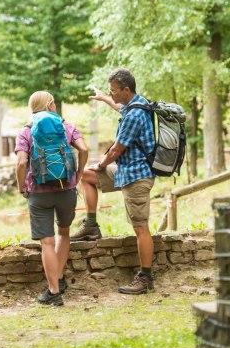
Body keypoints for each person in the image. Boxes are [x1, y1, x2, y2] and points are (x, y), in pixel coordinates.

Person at [70, 68, 156, 295]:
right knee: (85, 176)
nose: (113, 94)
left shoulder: (135, 115)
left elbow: (117, 148)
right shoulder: (136, 104)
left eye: (114, 91)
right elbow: (120, 107)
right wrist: (104, 98)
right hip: (124, 171)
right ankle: (91, 225)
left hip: (137, 176)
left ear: (126, 90)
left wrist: (102, 164)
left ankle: (145, 277)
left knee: (140, 227)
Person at [16, 91, 88, 306]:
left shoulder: (26, 132)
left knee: (47, 242)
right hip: (66, 190)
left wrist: (22, 187)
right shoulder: (66, 126)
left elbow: (21, 163)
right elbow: (83, 149)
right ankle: (58, 277)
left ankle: (54, 292)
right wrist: (79, 174)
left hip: (39, 194)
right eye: (53, 103)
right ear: (49, 104)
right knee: (63, 233)